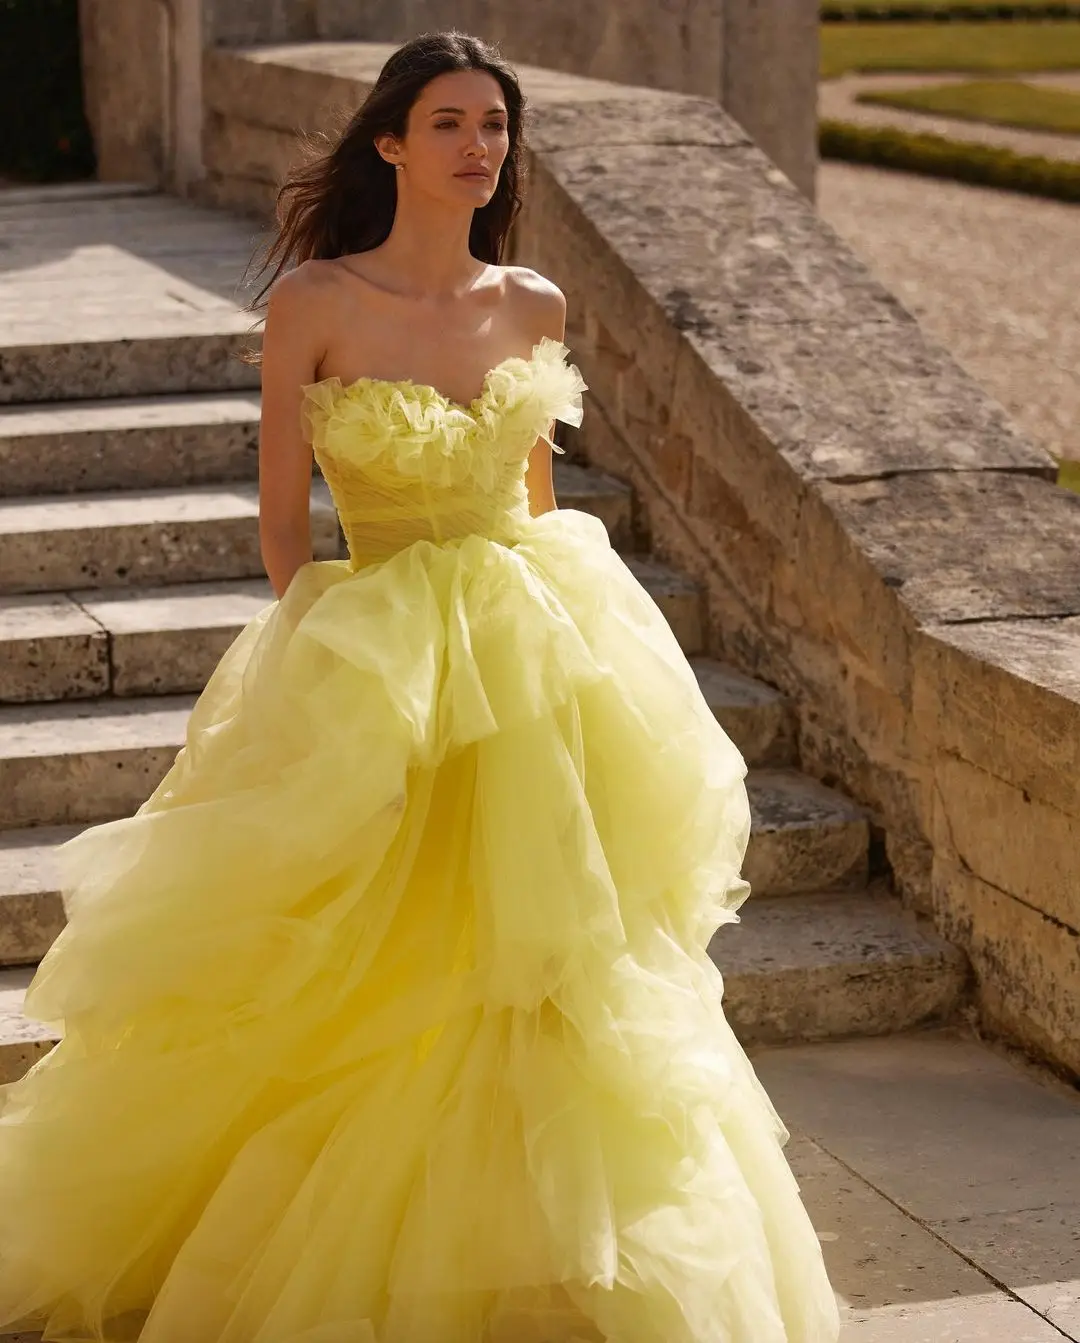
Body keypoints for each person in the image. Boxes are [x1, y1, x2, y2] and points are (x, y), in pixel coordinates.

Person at [0, 29, 841, 1343]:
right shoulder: (313, 305)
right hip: (378, 651)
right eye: (449, 122)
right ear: (390, 141)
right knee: (357, 959)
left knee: (550, 959)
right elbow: (286, 529)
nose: (478, 147)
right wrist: (341, 666)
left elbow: (539, 498)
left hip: (534, 642)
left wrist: (556, 644)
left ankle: (549, 1252)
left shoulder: (536, 303)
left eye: (494, 126)